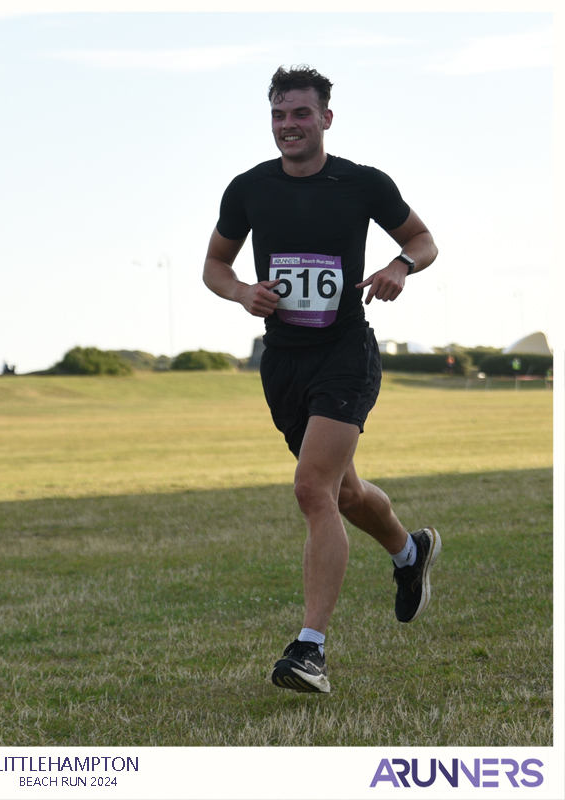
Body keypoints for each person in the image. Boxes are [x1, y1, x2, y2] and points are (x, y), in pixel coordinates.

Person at [203, 65, 441, 694]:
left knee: (311, 489)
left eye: (301, 114)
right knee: (340, 494)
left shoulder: (362, 184)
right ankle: (409, 552)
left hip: (344, 351)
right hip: (282, 362)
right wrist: (241, 293)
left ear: (326, 118)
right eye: (279, 115)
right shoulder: (249, 188)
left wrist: (399, 265)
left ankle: (310, 651)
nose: (289, 126)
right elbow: (214, 266)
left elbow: (423, 239)